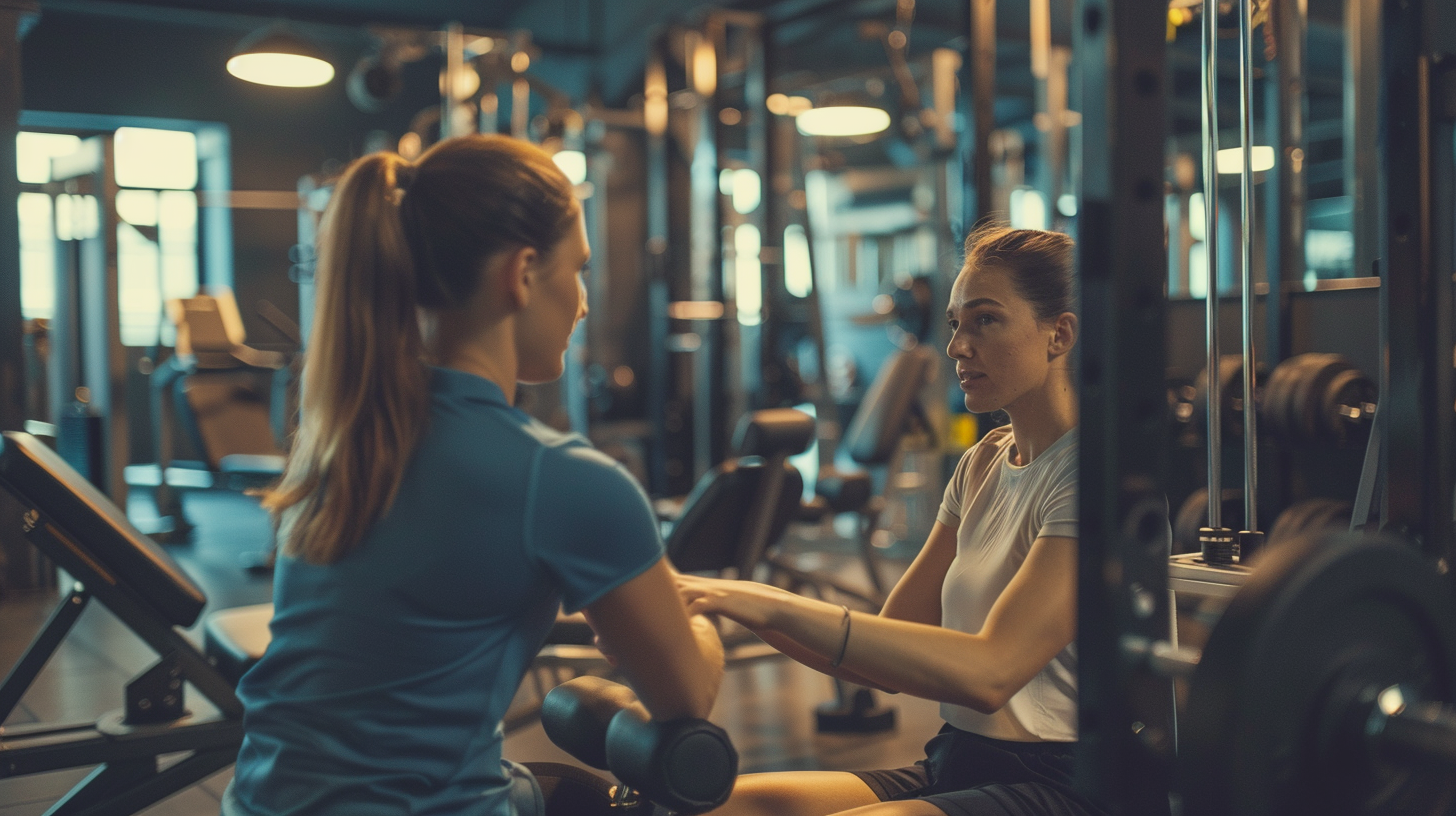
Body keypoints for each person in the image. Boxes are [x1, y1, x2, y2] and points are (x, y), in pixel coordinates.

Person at [225, 134, 724, 816]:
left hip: (258, 803)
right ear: (521, 274)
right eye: (577, 270)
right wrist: (700, 621)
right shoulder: (562, 478)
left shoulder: (348, 442)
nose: (581, 303)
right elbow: (686, 694)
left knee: (564, 794)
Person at [679, 225, 1098, 816]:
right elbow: (880, 649)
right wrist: (733, 604)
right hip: (959, 760)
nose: (957, 346)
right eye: (955, 324)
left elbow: (992, 671)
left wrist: (770, 603)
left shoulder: (1089, 477)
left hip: (1061, 784)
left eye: (985, 320)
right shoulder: (981, 463)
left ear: (1059, 334)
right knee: (729, 805)